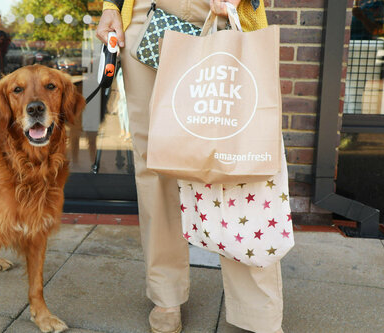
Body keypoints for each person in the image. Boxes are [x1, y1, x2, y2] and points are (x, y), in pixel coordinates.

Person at [96, 1, 284, 333]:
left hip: (226, 11)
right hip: (147, 18)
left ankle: (258, 312)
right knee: (157, 167)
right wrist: (111, 5)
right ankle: (166, 294)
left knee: (239, 161)